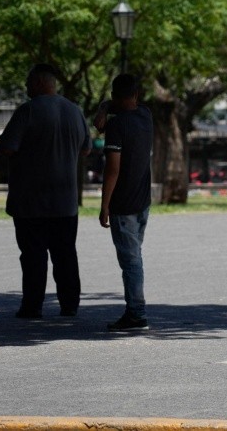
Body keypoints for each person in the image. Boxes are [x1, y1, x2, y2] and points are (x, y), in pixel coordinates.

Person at [0, 63, 92, 319]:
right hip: (66, 201)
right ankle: (70, 304)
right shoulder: (75, 111)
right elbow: (86, 148)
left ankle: (32, 306)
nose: (26, 87)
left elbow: (7, 146)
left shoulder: (27, 111)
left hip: (31, 201)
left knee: (33, 256)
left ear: (39, 82)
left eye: (29, 82)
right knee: (66, 255)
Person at [94, 74, 154, 332]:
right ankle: (135, 311)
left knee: (131, 261)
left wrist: (104, 204)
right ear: (137, 95)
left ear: (115, 96)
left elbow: (112, 169)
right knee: (135, 256)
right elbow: (100, 125)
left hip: (124, 203)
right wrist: (108, 108)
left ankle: (136, 313)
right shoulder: (146, 116)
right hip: (143, 201)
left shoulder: (118, 126)